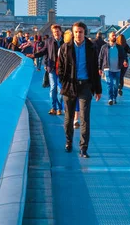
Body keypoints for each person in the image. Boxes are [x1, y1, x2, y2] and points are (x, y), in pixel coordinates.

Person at [57, 21, 102, 158]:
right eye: (76, 32)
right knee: (68, 117)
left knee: (85, 118)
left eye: (80, 32)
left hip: (85, 85)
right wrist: (64, 82)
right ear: (73, 33)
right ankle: (68, 142)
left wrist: (98, 90)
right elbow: (61, 68)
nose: (78, 34)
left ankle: (83, 148)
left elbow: (95, 69)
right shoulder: (65, 47)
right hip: (70, 86)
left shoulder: (91, 48)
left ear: (85, 33)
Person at [27, 24, 65, 115]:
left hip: (62, 69)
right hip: (51, 67)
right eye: (54, 31)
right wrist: (34, 55)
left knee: (60, 89)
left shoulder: (65, 42)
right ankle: (53, 107)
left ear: (61, 32)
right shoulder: (49, 41)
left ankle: (60, 107)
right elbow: (43, 51)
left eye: (58, 31)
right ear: (52, 33)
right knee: (53, 88)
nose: (56, 33)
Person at [98, 32, 128, 105]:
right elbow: (100, 58)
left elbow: (124, 56)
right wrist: (99, 68)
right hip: (107, 68)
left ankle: (114, 97)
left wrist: (125, 61)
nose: (114, 37)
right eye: (112, 36)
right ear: (109, 38)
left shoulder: (119, 47)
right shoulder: (104, 47)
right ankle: (110, 98)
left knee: (116, 85)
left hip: (117, 68)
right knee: (110, 84)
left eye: (115, 36)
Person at [63, 30, 81, 129]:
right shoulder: (63, 49)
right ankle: (70, 118)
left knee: (76, 98)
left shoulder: (79, 48)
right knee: (67, 99)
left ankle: (75, 119)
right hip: (67, 79)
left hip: (77, 79)